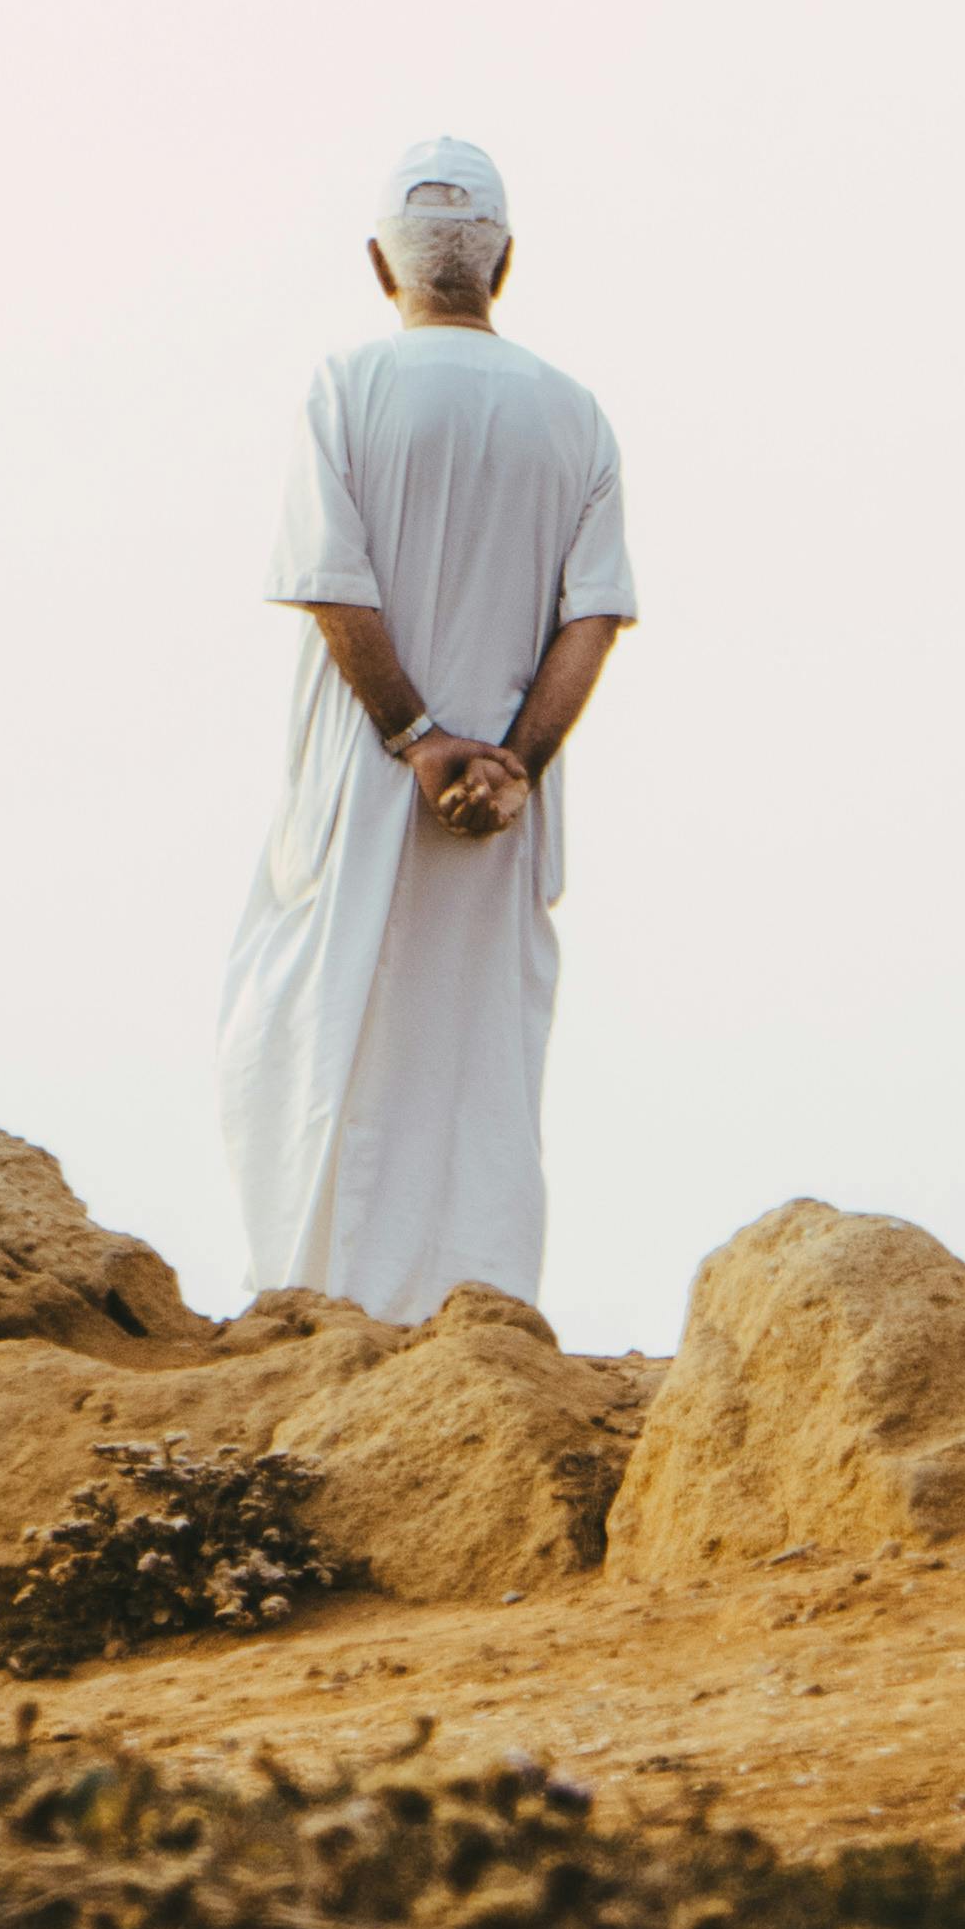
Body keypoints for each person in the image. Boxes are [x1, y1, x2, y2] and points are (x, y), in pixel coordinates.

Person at [218, 138, 636, 1325]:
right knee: (476, 1057)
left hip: (362, 784)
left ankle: (308, 1313)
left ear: (377, 265)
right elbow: (594, 614)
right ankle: (475, 1317)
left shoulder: (342, 389)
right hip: (495, 810)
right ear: (502, 263)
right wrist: (512, 767)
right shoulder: (577, 416)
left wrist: (416, 741)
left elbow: (329, 582)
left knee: (313, 1026)